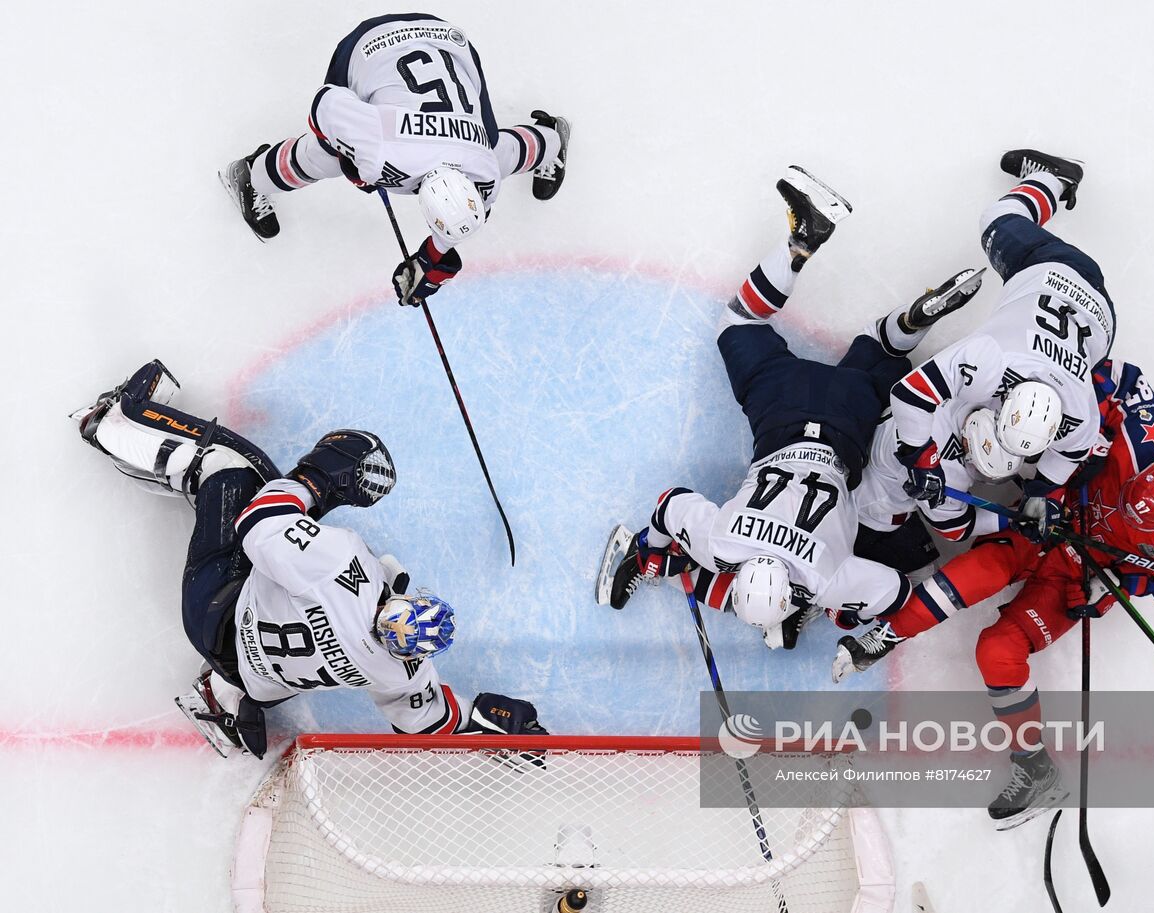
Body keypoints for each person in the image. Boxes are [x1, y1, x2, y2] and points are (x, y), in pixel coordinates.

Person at [72, 360, 545, 758]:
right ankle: (224, 699)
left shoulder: (337, 569)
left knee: (237, 468)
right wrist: (485, 717)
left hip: (213, 606)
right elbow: (430, 723)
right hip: (253, 674)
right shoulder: (402, 671)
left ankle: (113, 425)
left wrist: (316, 480)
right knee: (285, 641)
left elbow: (257, 524)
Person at [597, 168, 977, 648]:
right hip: (784, 410)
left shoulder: (824, 580)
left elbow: (896, 592)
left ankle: (908, 323)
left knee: (878, 360)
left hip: (852, 420)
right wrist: (648, 547)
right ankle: (800, 244)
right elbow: (670, 503)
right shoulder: (723, 546)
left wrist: (839, 611)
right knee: (739, 321)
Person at [833, 359, 1154, 829]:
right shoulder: (1141, 444)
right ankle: (885, 636)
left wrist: (1110, 587)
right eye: (1124, 498)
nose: (1124, 514)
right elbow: (1115, 374)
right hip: (1047, 525)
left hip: (1074, 575)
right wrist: (1066, 466)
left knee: (998, 651)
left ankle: (1037, 770)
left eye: (1136, 522)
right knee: (977, 571)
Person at [220, 12, 571, 307]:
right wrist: (350, 158)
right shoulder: (385, 148)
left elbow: (459, 218)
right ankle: (251, 175)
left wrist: (432, 259)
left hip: (449, 40)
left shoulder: (484, 176)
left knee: (494, 149)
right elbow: (324, 104)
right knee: (323, 156)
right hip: (372, 44)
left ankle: (553, 136)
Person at [882, 149, 1116, 543]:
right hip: (1068, 287)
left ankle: (1055, 179)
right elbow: (909, 394)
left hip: (1098, 319)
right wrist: (1042, 492)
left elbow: (1072, 451)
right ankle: (1053, 179)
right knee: (996, 222)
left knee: (998, 221)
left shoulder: (1078, 413)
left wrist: (1044, 494)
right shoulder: (997, 363)